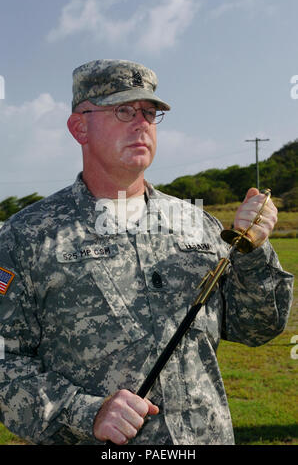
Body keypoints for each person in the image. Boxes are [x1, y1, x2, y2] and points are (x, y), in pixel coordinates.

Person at [0, 59, 293, 446]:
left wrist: (253, 250)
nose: (141, 122)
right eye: (123, 110)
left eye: (150, 112)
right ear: (79, 127)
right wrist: (86, 412)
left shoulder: (197, 223)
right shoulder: (25, 237)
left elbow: (257, 327)